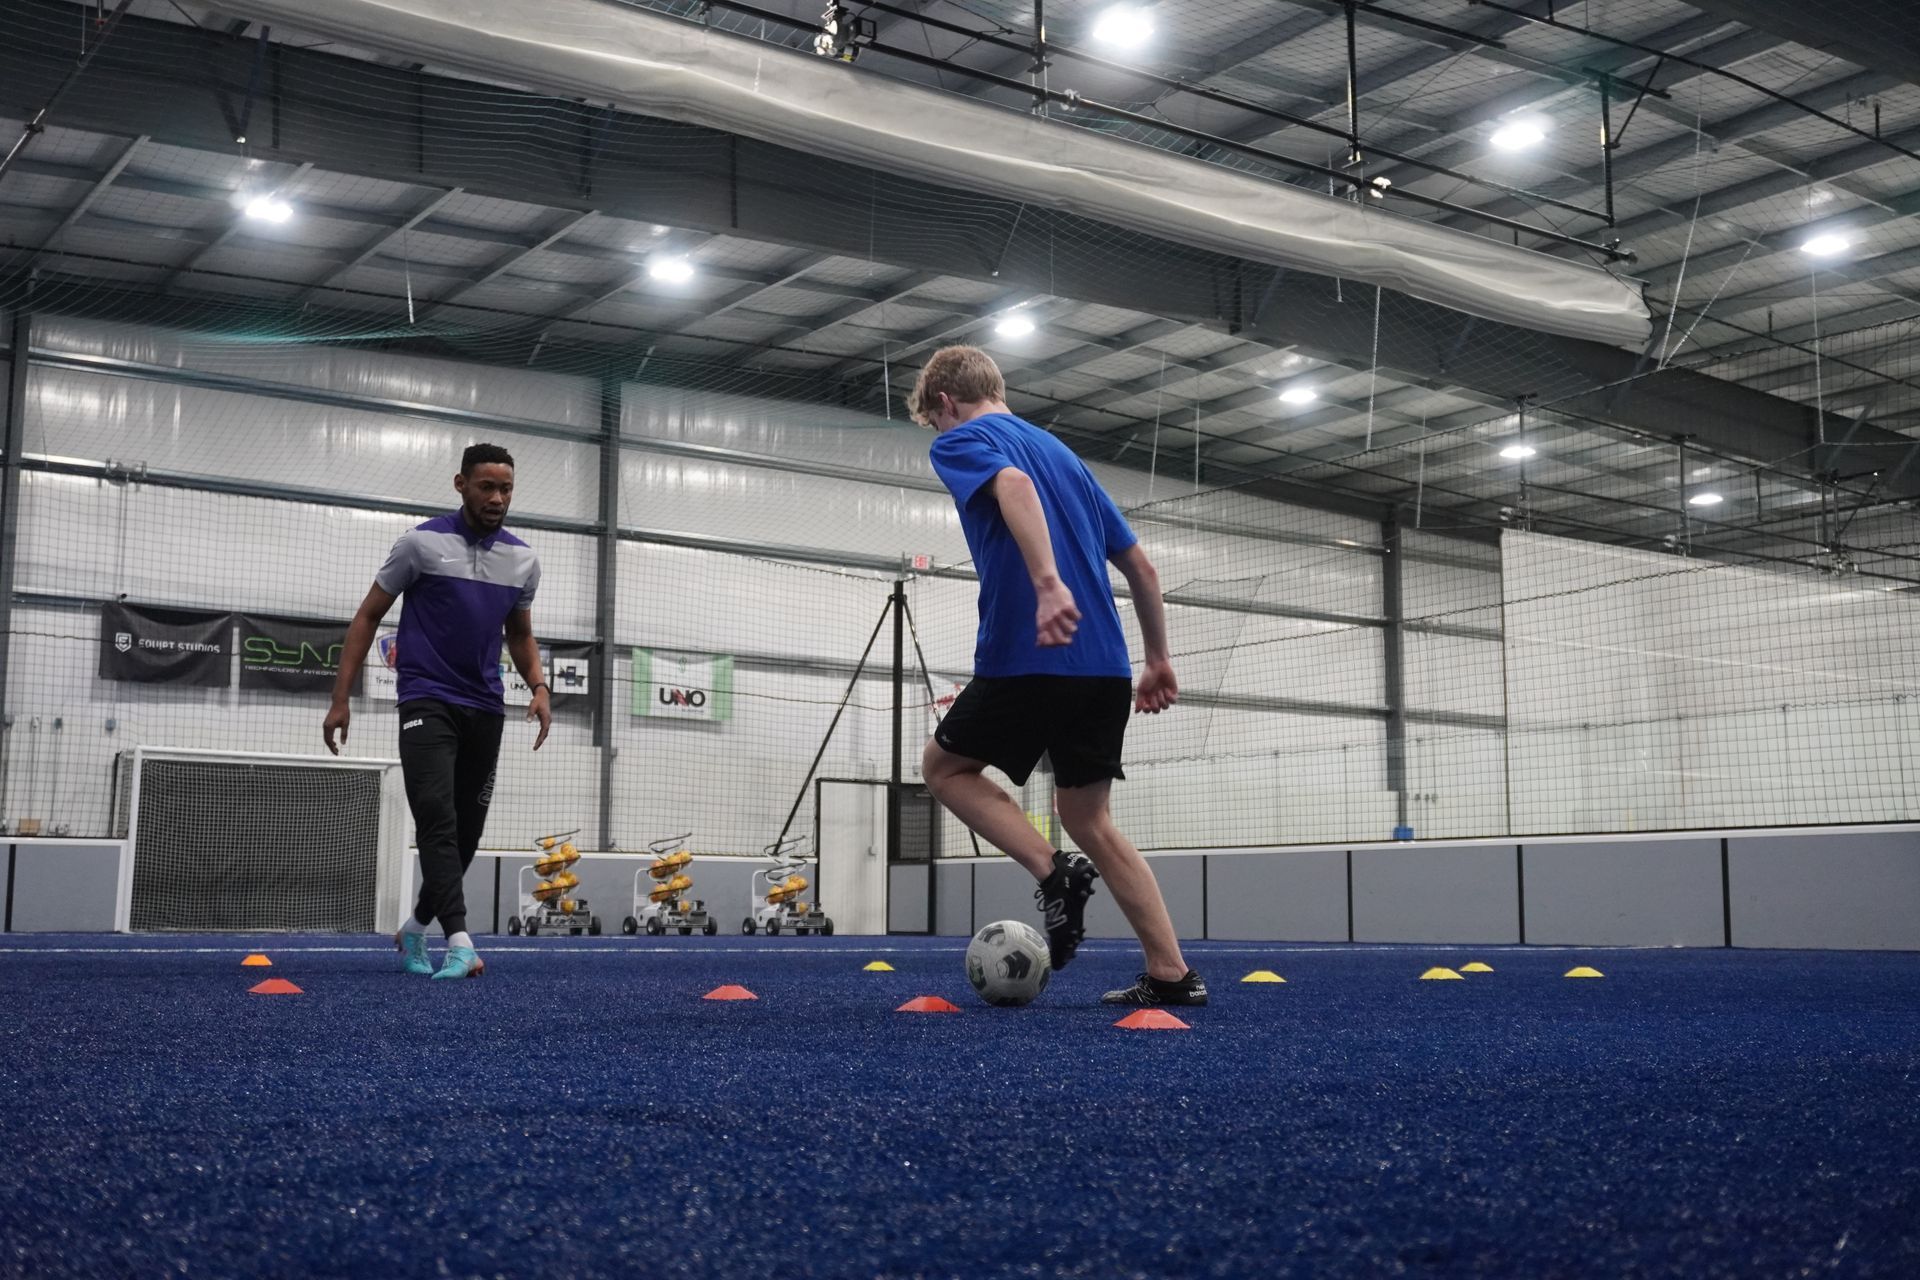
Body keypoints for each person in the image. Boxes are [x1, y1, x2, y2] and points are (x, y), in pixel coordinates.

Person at [910, 346, 1206, 1007]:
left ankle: (1051, 874)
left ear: (946, 405)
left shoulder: (966, 438)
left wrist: (1047, 585)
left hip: (1031, 651)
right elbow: (1143, 570)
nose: (939, 434)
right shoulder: (1066, 459)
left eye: (934, 422)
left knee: (945, 769)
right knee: (1088, 814)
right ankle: (1171, 974)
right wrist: (1158, 659)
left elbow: (1012, 488)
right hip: (1103, 666)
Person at [323, 443, 550, 981]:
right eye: (487, 486)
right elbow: (366, 617)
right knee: (436, 818)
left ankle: (416, 926)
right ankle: (462, 941)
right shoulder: (419, 544)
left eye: (507, 488)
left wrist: (538, 687)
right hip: (426, 698)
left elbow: (519, 633)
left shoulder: (523, 560)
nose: (497, 498)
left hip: (485, 707)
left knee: (465, 834)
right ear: (461, 484)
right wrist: (340, 698)